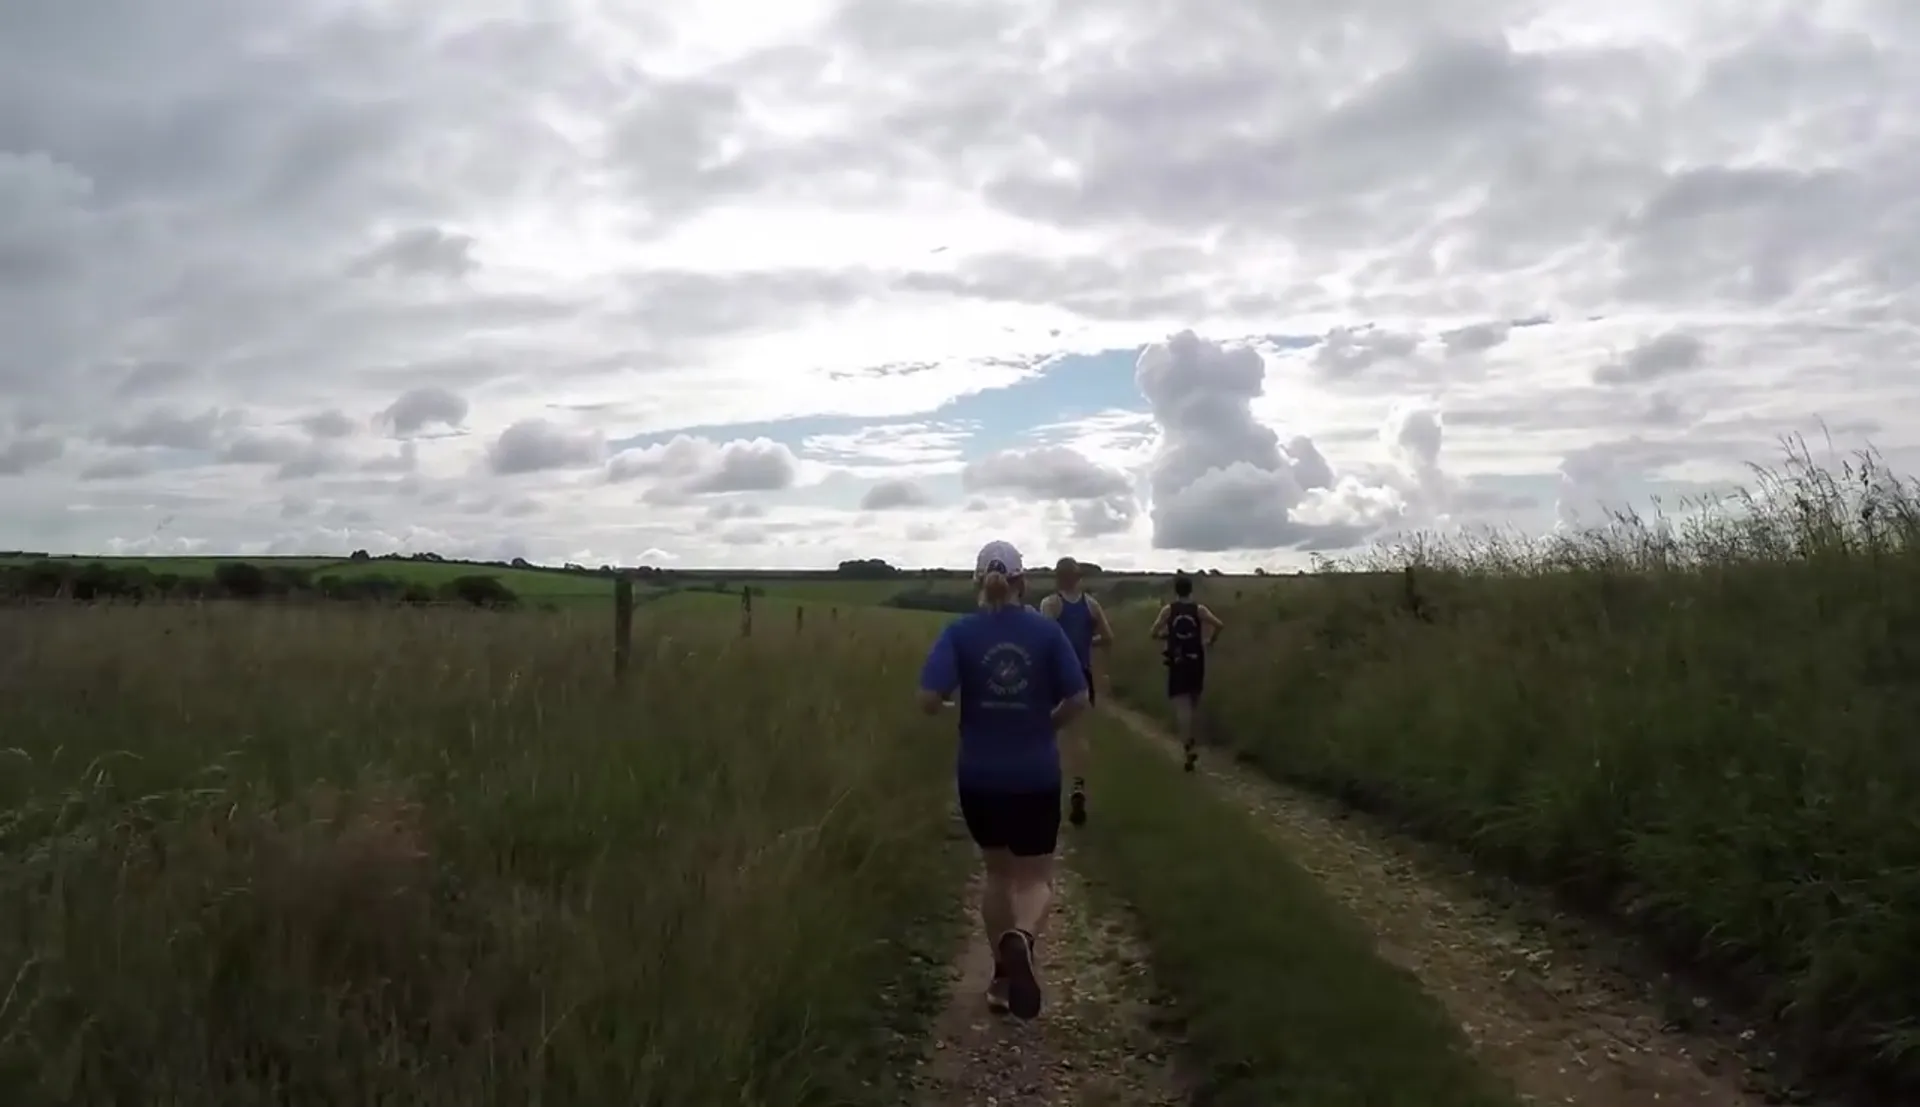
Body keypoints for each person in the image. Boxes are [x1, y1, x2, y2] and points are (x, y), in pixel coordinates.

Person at [917, 540, 1091, 1019]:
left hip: (979, 775)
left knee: (997, 873)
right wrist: (1043, 725)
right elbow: (1078, 700)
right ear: (1022, 581)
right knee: (1035, 876)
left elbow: (928, 699)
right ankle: (1023, 938)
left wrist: (964, 711)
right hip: (1034, 774)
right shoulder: (1046, 632)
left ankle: (999, 979)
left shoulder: (959, 633)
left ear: (978, 581)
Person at [1039, 556, 1114, 826]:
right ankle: (1078, 787)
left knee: (1050, 732)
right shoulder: (1091, 605)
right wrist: (1086, 641)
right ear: (1079, 577)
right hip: (1081, 674)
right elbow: (1108, 637)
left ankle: (1047, 788)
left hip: (1053, 676)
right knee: (1078, 736)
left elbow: (1043, 639)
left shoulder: (1050, 604)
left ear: (1058, 577)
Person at [1149, 572, 1223, 772]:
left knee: (1182, 706)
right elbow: (1219, 625)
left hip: (1177, 660)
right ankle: (1196, 740)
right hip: (1196, 660)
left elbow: (1153, 632)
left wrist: (1167, 636)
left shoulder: (1168, 610)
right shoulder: (1199, 609)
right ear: (1191, 590)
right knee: (1194, 702)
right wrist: (1209, 641)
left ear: (1175, 590)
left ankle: (1187, 747)